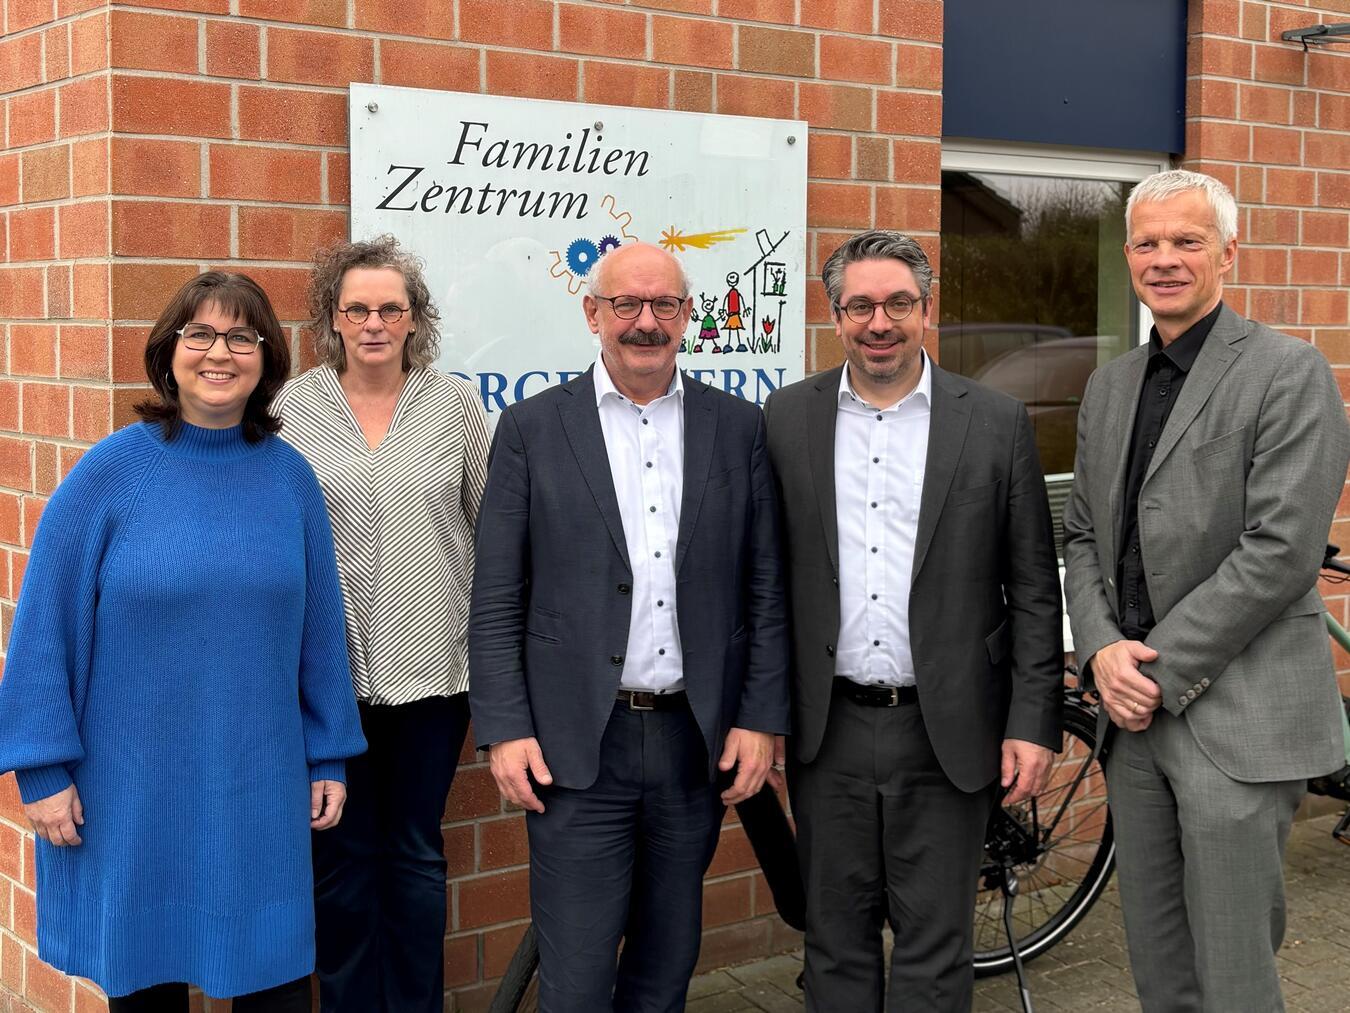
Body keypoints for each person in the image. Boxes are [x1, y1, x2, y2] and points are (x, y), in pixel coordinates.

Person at [0, 272, 365, 1011]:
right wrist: (40, 768)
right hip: (133, 785)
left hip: (258, 780)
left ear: (267, 359)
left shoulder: (291, 478)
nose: (219, 352)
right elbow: (42, 627)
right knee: (146, 980)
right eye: (199, 334)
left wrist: (328, 750)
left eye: (241, 336)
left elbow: (321, 630)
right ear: (170, 353)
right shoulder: (112, 472)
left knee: (278, 980)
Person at [468, 241, 789, 1012]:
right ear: (593, 314)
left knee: (663, 971)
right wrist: (504, 727)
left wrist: (759, 717)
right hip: (578, 747)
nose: (646, 322)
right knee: (575, 981)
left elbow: (766, 587)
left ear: (688, 316)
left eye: (664, 305)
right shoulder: (531, 428)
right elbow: (496, 594)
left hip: (692, 745)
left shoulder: (739, 426)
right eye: (626, 305)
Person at [1062, 169, 1350, 1012]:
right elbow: (1083, 535)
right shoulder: (1112, 385)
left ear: (1228, 252)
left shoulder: (1288, 372)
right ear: (1127, 257)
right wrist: (1101, 648)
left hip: (1236, 716)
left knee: (1233, 972)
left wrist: (1146, 669)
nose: (1165, 259)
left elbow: (1281, 552)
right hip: (1135, 724)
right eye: (1148, 243)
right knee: (1158, 962)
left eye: (1186, 241)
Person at [762, 230, 1063, 1012]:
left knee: (936, 947)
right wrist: (758, 716)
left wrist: (1033, 721)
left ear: (927, 308)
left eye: (898, 302)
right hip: (826, 728)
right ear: (835, 316)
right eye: (859, 304)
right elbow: (763, 584)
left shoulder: (994, 421)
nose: (880, 321)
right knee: (834, 939)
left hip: (949, 727)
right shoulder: (787, 417)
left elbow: (1033, 586)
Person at [272, 235, 489, 1013]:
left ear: (413, 317)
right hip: (325, 681)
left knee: (414, 855)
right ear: (332, 318)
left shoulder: (455, 405)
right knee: (339, 864)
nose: (373, 323)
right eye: (356, 308)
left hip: (434, 674)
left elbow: (490, 532)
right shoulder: (292, 407)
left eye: (389, 308)